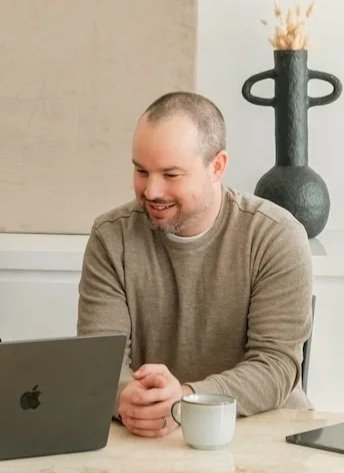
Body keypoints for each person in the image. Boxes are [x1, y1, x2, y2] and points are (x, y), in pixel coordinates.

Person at [77, 91, 313, 438]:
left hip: (262, 434)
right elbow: (100, 361)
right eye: (141, 171)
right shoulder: (112, 237)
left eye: (171, 175)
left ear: (217, 166)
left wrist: (187, 400)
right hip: (152, 435)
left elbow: (276, 366)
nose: (152, 190)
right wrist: (126, 396)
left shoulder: (276, 236)